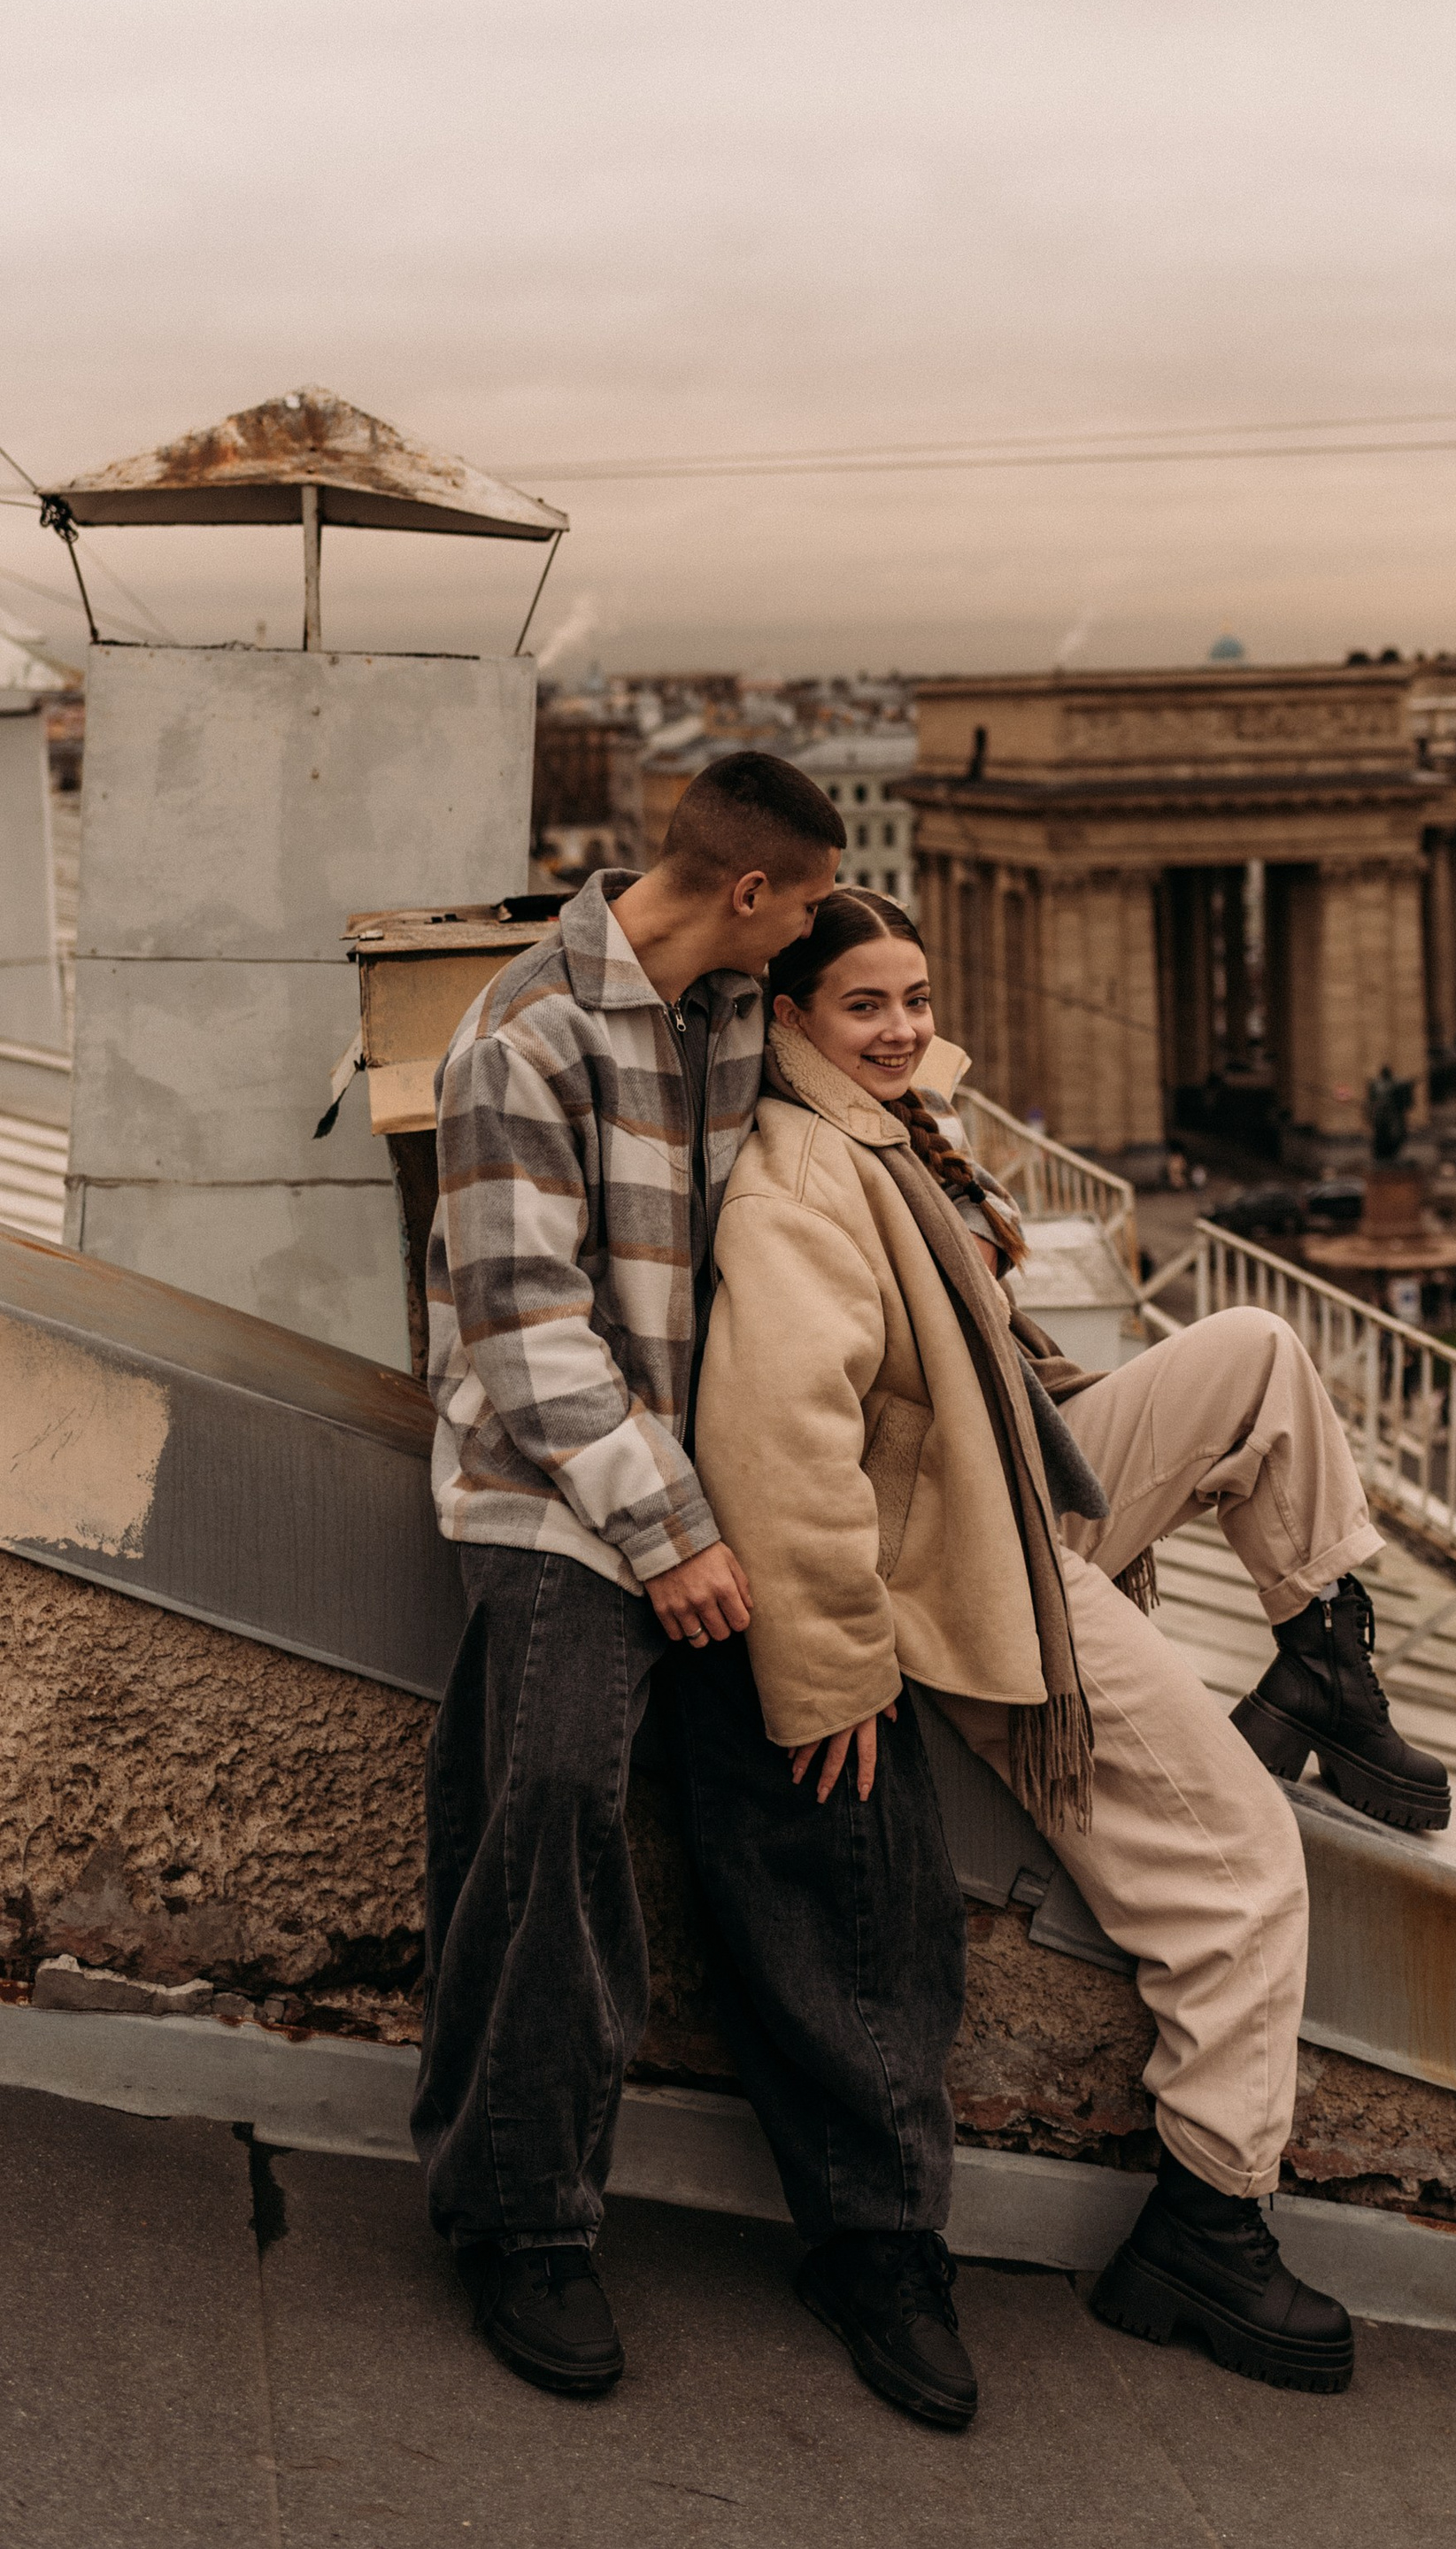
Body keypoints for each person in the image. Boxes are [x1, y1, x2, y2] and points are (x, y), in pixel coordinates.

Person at [680, 886, 1450, 2429]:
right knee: (1239, 1866)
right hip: (965, 1571)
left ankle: (1321, 1659)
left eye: (916, 998)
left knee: (1253, 1357)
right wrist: (832, 1682)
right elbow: (775, 1453)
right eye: (865, 1007)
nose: (904, 1030)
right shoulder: (799, 1185)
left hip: (1005, 1487)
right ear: (786, 1019)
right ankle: (1206, 2226)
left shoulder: (896, 1134)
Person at [412, 753, 846, 2399]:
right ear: (748, 895)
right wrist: (671, 1540)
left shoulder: (724, 1010)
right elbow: (526, 1338)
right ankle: (521, 2220)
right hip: (553, 1494)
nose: (810, 932)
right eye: (803, 903)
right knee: (551, 1799)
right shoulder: (521, 1037)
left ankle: (872, 2224)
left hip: (692, 1479)